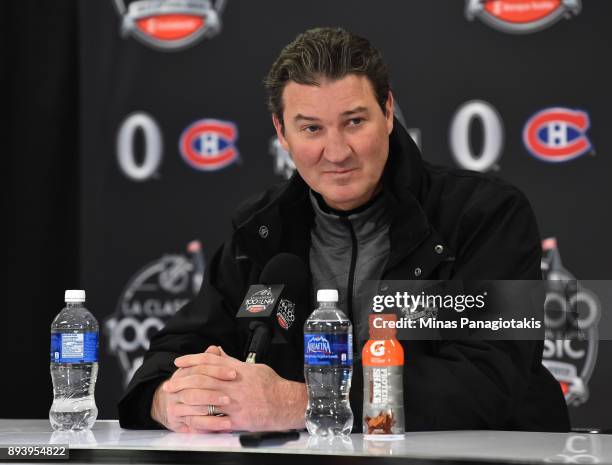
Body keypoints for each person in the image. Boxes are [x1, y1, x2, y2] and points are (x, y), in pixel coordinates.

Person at [118, 27, 569, 433]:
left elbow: (492, 380)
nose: (336, 152)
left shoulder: (487, 213)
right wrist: (167, 400)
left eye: (354, 122)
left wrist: (301, 404)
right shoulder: (261, 230)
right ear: (282, 132)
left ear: (388, 112)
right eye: (311, 128)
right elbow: (174, 352)